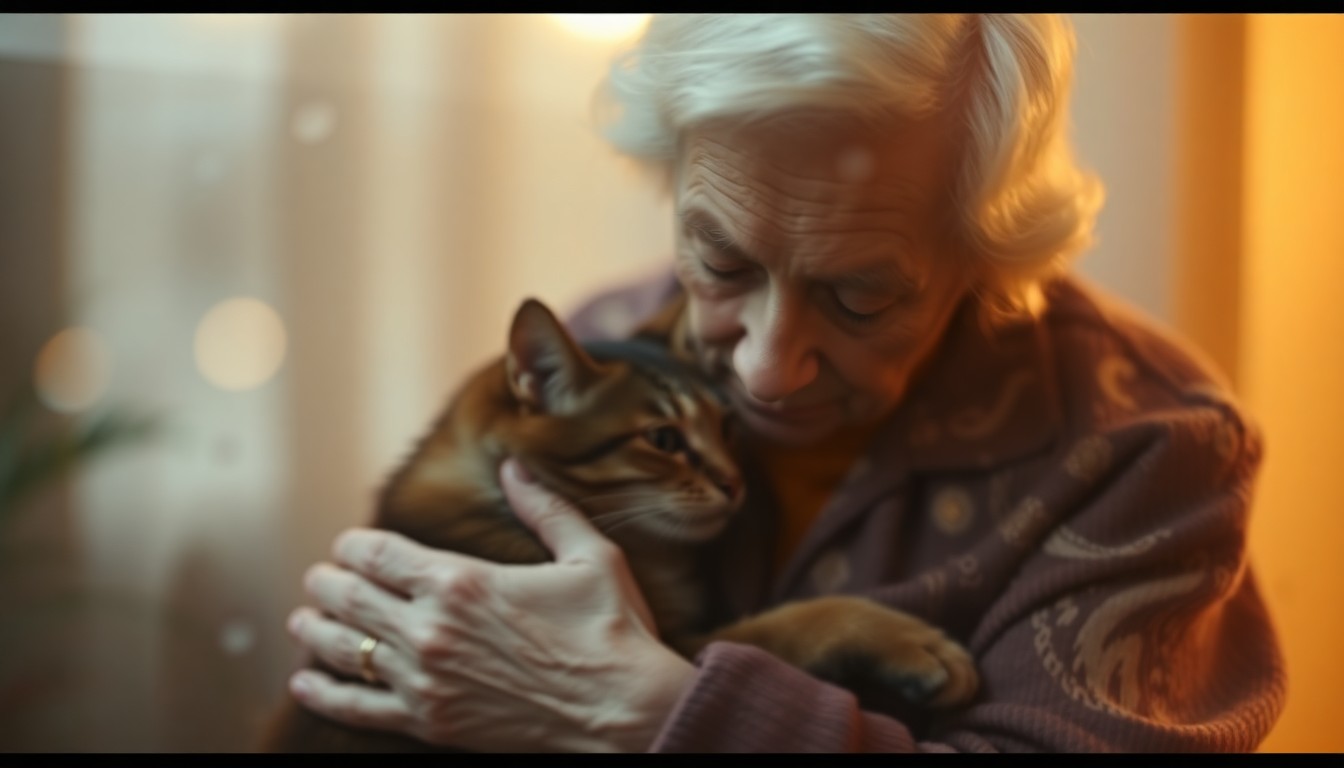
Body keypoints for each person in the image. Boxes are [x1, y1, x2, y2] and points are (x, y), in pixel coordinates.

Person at [281, 14, 1286, 752]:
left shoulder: (1149, 445)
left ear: (981, 251)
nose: (765, 367)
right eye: (720, 265)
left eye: (857, 299)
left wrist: (649, 716)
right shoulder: (604, 342)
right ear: (672, 180)